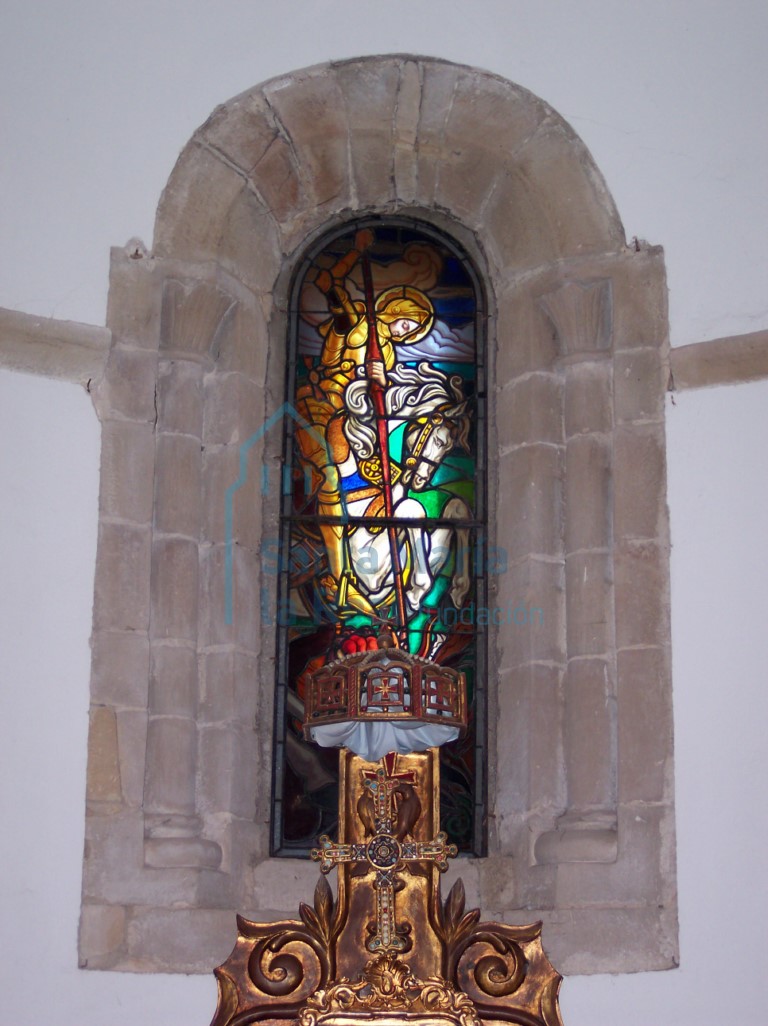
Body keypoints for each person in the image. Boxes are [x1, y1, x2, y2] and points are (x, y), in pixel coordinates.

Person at [294, 231, 434, 617]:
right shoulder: (353, 325)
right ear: (393, 310)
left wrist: (379, 379)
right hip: (321, 405)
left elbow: (374, 390)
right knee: (329, 478)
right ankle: (342, 582)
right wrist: (353, 255)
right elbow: (331, 292)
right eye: (405, 322)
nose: (405, 331)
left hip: (356, 413)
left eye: (413, 330)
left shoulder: (385, 347)